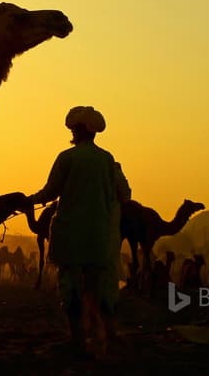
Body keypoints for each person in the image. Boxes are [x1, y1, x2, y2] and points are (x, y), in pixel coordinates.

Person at [23, 106, 130, 358]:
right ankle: (99, 335)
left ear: (78, 130)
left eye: (74, 128)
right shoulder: (107, 159)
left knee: (70, 287)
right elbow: (123, 195)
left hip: (71, 232)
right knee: (94, 287)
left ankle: (77, 339)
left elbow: (50, 192)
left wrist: (28, 201)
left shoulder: (67, 157)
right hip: (98, 234)